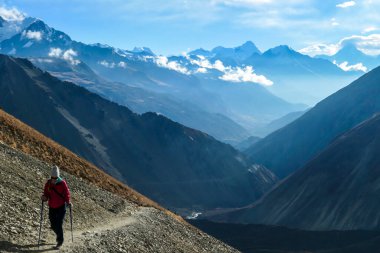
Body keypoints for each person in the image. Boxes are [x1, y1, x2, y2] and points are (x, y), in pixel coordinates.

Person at [41, 165, 71, 249]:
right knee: (53, 225)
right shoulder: (48, 183)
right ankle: (59, 234)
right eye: (52, 177)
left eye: (55, 177)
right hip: (52, 206)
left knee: (59, 223)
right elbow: (46, 193)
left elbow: (67, 193)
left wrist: (68, 202)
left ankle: (60, 241)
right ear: (51, 176)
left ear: (58, 176)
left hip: (61, 206)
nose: (54, 179)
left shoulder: (62, 183)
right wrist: (44, 197)